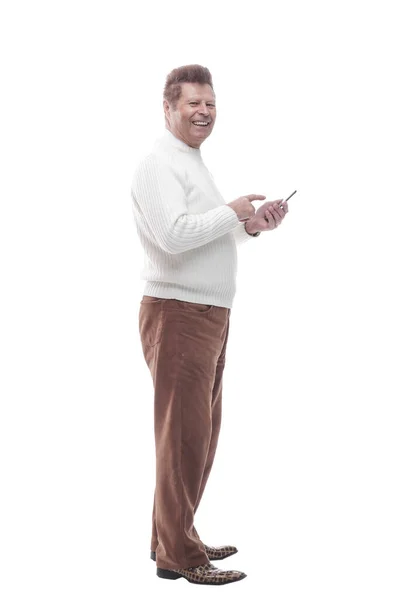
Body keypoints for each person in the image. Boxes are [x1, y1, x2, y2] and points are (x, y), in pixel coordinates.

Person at [130, 64, 289, 586]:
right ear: (169, 107)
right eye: (194, 103)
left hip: (206, 316)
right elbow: (173, 237)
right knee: (183, 439)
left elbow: (203, 236)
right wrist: (229, 212)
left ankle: (175, 540)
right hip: (178, 315)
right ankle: (180, 554)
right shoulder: (158, 164)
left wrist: (250, 226)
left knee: (198, 436)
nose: (204, 112)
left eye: (211, 104)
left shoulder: (192, 162)